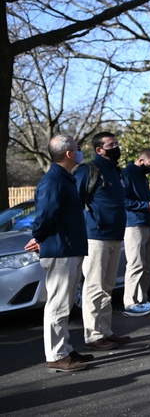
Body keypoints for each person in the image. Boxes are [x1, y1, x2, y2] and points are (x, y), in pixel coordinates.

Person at [24, 135, 93, 371]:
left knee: (65, 303)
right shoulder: (53, 181)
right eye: (77, 148)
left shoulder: (65, 179)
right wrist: (39, 237)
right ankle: (55, 355)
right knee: (57, 304)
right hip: (60, 250)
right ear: (69, 154)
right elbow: (45, 216)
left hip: (70, 248)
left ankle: (64, 349)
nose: (80, 151)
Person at [75, 132, 131, 350]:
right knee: (94, 286)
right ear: (99, 150)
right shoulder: (88, 170)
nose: (116, 147)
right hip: (96, 237)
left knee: (107, 287)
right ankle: (93, 335)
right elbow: (75, 201)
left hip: (115, 235)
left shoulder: (116, 171)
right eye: (111, 145)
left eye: (117, 143)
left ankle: (106, 331)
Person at [122, 148, 150, 317]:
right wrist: (146, 206)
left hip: (148, 223)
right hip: (134, 225)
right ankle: (130, 303)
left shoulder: (142, 176)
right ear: (141, 160)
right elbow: (124, 200)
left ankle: (142, 300)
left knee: (147, 266)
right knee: (135, 264)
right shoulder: (127, 174)